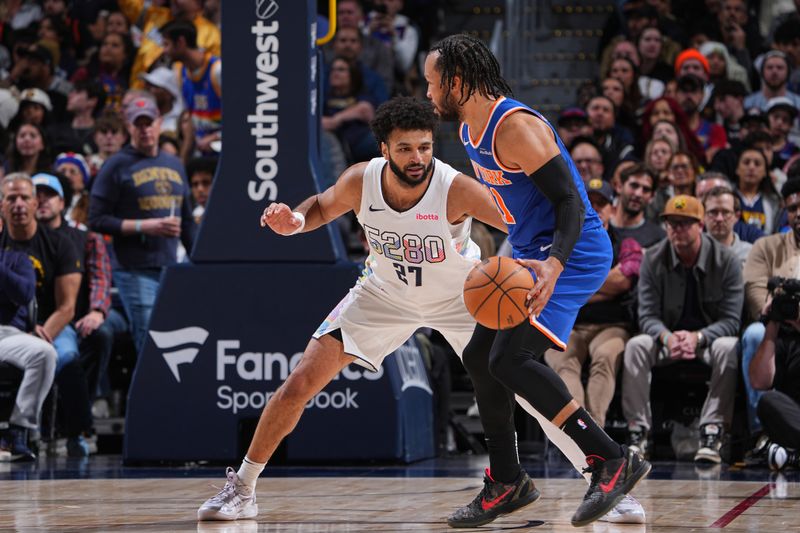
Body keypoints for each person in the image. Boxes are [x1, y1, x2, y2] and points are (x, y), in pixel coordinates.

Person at [196, 96, 510, 521]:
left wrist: (547, 261)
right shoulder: (363, 180)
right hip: (383, 295)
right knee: (300, 381)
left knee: (524, 384)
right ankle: (243, 489)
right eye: (404, 148)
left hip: (458, 297)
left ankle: (602, 474)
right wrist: (297, 221)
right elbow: (323, 205)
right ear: (384, 149)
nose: (417, 158)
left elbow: (518, 221)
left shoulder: (455, 187)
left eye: (424, 147)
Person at [424, 34, 650, 527]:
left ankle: (609, 458)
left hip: (573, 253)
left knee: (511, 358)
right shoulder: (468, 131)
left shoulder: (515, 126)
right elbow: (518, 207)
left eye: (432, 83)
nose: (428, 93)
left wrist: (553, 264)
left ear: (457, 82)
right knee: (479, 357)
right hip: (529, 256)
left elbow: (570, 200)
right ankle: (508, 481)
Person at [623, 195, 742, 464]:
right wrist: (666, 337)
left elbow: (732, 320)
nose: (677, 229)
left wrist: (698, 337)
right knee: (636, 345)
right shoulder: (653, 258)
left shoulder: (727, 261)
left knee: (728, 347)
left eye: (685, 223)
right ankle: (638, 432)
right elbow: (647, 315)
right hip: (668, 340)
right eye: (671, 223)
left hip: (708, 341)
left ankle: (713, 431)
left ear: (700, 225)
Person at [88, 97, 195, 353]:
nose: (145, 129)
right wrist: (145, 226)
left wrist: (197, 263)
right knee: (149, 341)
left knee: (174, 339)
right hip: (134, 269)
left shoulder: (174, 164)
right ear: (129, 127)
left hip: (171, 269)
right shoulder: (116, 165)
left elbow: (188, 222)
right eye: (139, 124)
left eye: (150, 123)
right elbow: (96, 219)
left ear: (160, 123)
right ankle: (145, 393)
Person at [545, 178, 643, 428]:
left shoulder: (627, 242)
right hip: (568, 325)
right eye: (590, 202)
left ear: (612, 208)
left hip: (611, 325)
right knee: (563, 364)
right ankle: (579, 433)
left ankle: (594, 432)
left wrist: (573, 285)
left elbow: (623, 281)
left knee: (605, 357)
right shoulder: (559, 239)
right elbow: (549, 283)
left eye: (602, 203)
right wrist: (602, 287)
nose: (596, 208)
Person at [741, 180, 800, 437]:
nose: (799, 214)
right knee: (754, 332)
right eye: (794, 208)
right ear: (786, 212)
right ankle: (761, 433)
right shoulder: (766, 246)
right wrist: (775, 310)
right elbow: (755, 293)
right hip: (774, 328)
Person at [0, 245, 57, 462]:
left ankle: (16, 433)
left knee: (44, 353)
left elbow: (25, 294)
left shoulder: (17, 259)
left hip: (7, 333)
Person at [749, 283, 800, 471]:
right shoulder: (785, 338)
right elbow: (759, 381)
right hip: (796, 420)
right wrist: (771, 327)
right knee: (769, 401)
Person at [161, 20, 221, 156]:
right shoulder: (179, 72)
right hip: (200, 151)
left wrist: (215, 137)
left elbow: (242, 117)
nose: (164, 51)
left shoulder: (217, 70)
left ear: (181, 42)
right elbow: (190, 125)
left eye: (166, 44)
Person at [611, 164, 665, 247]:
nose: (638, 194)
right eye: (634, 186)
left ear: (652, 196)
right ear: (619, 187)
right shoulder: (600, 229)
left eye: (646, 190)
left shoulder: (659, 238)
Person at [703, 186, 752, 266]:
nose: (719, 219)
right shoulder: (693, 253)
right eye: (713, 212)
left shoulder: (751, 254)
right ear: (703, 216)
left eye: (726, 212)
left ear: (736, 216)